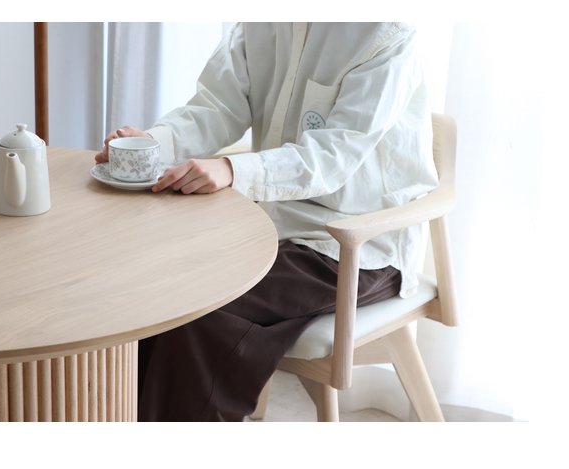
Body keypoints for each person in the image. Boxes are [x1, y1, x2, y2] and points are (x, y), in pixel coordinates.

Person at [95, 22, 438, 421]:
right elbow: (216, 108)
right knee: (153, 285)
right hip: (269, 225)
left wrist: (232, 170)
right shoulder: (260, 24)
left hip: (355, 245)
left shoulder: (386, 36)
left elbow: (333, 157)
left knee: (200, 314)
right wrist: (154, 144)